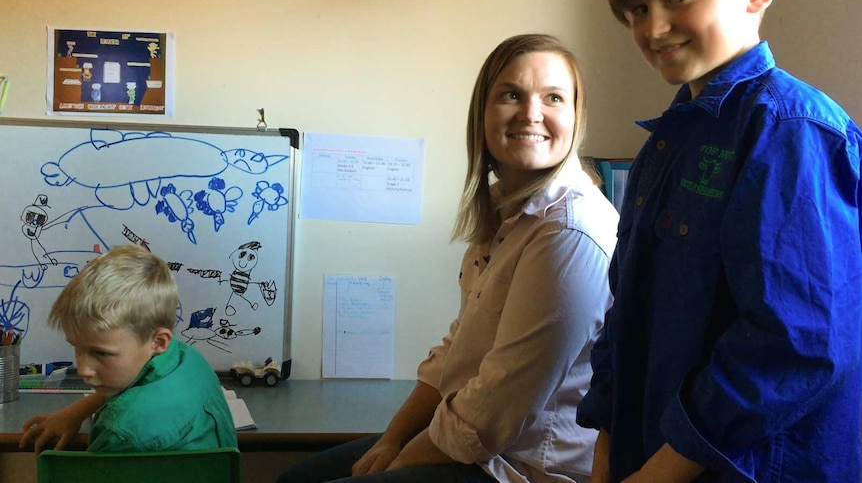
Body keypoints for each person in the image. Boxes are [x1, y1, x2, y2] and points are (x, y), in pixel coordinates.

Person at [575, 0, 862, 482]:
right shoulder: (669, 137)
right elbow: (625, 308)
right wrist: (607, 446)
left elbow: (796, 344)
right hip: (646, 453)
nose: (653, 28)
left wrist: (658, 473)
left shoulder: (791, 130)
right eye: (636, 9)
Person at [276, 34, 619, 483]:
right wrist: (392, 438)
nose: (531, 113)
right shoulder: (505, 212)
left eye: (553, 97)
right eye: (511, 94)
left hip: (526, 467)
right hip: (477, 443)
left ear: (576, 118)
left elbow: (496, 408)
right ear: (483, 115)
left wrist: (397, 463)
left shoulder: (569, 231)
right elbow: (456, 353)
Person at [19, 245, 237, 453]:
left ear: (159, 342)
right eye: (76, 348)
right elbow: (135, 379)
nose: (83, 369)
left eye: (101, 353)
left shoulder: (121, 433)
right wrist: (75, 412)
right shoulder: (187, 358)